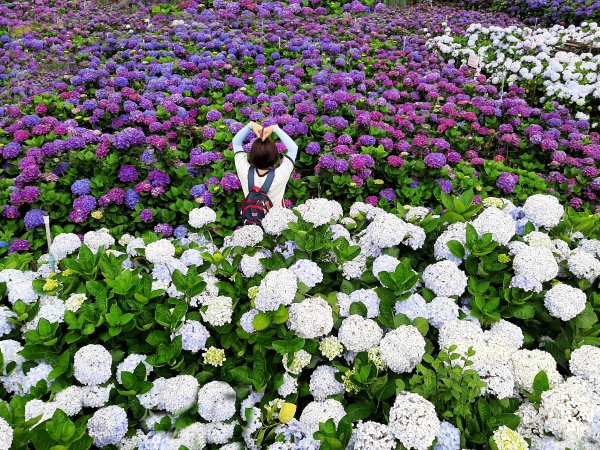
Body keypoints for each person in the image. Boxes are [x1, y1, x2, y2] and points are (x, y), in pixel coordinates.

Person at [232, 121, 298, 213]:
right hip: (275, 221)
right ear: (276, 157)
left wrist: (250, 125)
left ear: (252, 156)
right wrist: (275, 128)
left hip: (251, 221)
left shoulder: (244, 171)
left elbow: (236, 143)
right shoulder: (281, 174)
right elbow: (293, 148)